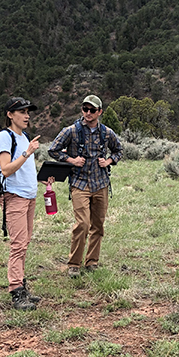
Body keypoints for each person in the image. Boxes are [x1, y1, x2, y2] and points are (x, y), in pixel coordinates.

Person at [48, 94, 123, 277]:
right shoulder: (71, 131)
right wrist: (71, 160)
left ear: (99, 112)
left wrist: (109, 161)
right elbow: (53, 150)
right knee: (82, 223)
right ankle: (74, 264)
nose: (88, 113)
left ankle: (92, 262)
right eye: (85, 109)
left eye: (92, 110)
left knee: (98, 225)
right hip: (79, 184)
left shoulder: (106, 132)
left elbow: (119, 150)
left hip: (101, 184)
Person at [0, 96, 45, 310]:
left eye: (28, 112)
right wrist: (27, 153)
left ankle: (22, 286)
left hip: (29, 196)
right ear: (9, 115)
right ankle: (16, 292)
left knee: (24, 243)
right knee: (18, 245)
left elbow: (23, 169)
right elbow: (6, 168)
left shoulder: (24, 137)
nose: (27, 116)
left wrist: (42, 178)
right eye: (22, 112)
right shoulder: (4, 138)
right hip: (14, 197)